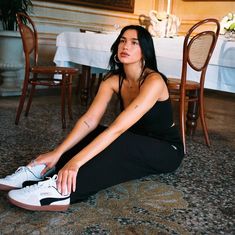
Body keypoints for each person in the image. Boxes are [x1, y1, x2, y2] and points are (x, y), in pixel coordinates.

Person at [0, 25, 184, 211]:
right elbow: (89, 121)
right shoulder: (113, 79)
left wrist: (76, 162)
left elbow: (118, 129)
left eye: (134, 43)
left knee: (117, 139)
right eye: (122, 40)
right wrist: (58, 152)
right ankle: (46, 169)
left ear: (145, 51)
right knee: (96, 132)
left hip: (166, 149)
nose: (125, 46)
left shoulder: (153, 81)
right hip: (135, 140)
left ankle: (62, 191)